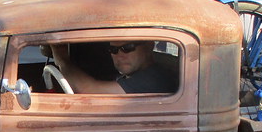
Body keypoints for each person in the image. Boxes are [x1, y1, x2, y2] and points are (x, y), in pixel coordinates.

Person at [49, 40, 177, 94]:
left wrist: (62, 59)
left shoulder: (154, 79)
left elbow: (88, 90)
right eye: (113, 49)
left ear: (149, 46)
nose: (119, 55)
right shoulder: (135, 75)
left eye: (127, 48)